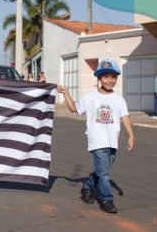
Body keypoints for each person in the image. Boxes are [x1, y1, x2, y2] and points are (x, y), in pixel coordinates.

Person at [57, 59, 135, 213]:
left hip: (113, 141)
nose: (110, 80)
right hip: (97, 140)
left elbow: (125, 117)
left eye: (113, 77)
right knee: (105, 173)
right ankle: (107, 199)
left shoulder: (119, 100)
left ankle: (87, 187)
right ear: (99, 78)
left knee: (101, 172)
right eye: (106, 77)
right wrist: (66, 93)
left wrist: (131, 136)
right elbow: (74, 108)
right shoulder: (91, 97)